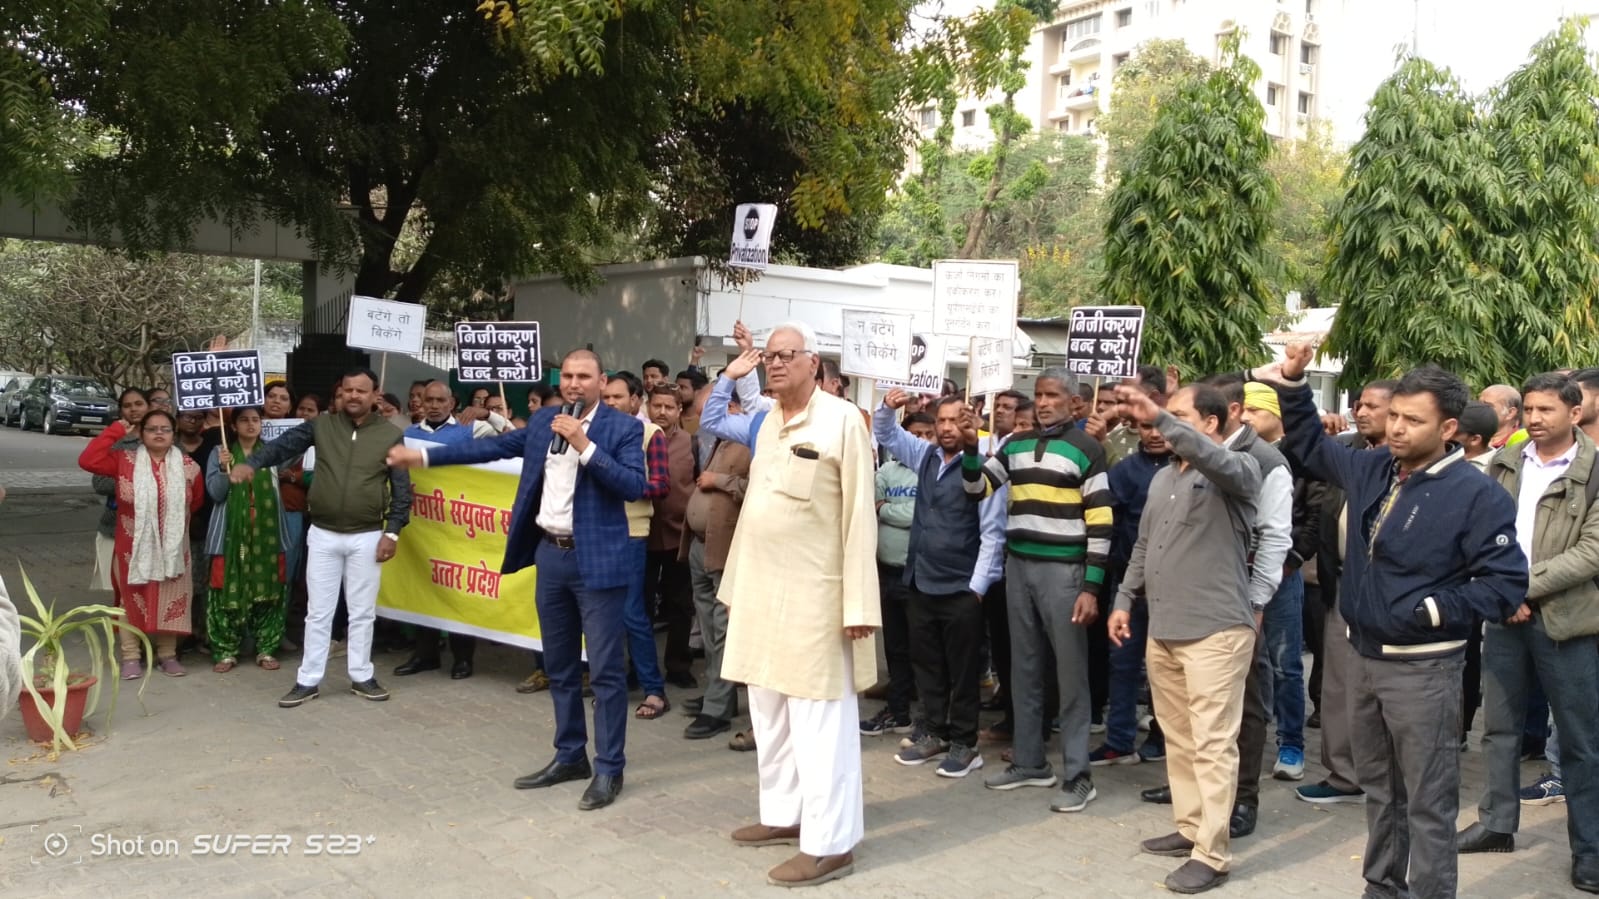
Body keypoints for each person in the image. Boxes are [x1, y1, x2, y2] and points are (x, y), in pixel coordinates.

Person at [1256, 344, 1526, 899]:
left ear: (1448, 428)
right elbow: (1307, 446)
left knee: (1428, 801)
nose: (1397, 428)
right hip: (1362, 656)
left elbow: (1504, 585)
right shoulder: (1373, 466)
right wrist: (1294, 382)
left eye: (1413, 420)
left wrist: (1428, 611)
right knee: (1380, 790)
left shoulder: (1476, 493)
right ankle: (1381, 887)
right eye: (1394, 416)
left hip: (1424, 669)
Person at [388, 349, 646, 811]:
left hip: (598, 562)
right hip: (550, 556)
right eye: (568, 376)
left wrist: (584, 445)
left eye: (584, 376)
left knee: (605, 672)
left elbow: (632, 485)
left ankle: (609, 768)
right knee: (559, 665)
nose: (574, 383)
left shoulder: (623, 428)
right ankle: (570, 755)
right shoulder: (545, 420)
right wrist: (423, 456)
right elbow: (488, 448)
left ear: (601, 381)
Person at [718, 321, 879, 887]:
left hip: (818, 598)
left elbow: (860, 515)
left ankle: (831, 845)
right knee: (768, 712)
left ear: (814, 363)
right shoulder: (767, 422)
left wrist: (859, 604)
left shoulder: (843, 420)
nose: (777, 363)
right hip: (761, 592)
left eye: (789, 354)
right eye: (771, 356)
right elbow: (755, 510)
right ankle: (784, 815)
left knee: (820, 723)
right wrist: (734, 586)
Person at [1108, 383, 1262, 895]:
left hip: (1216, 631)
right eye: (1162, 417)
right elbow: (1144, 545)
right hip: (1164, 629)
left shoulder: (1238, 469)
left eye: (1177, 417)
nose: (1162, 426)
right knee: (1179, 739)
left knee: (1213, 745)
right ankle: (1191, 828)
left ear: (1211, 423)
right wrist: (1123, 599)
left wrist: (1159, 416)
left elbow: (1217, 461)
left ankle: (1212, 855)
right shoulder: (1162, 478)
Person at [1461, 373, 1599, 894]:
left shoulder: (1594, 470)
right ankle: (1497, 824)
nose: (1535, 419)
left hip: (1566, 621)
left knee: (1581, 740)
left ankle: (1590, 849)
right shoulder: (1506, 461)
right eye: (1530, 410)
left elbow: (1591, 552)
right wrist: (1503, 593)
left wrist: (1519, 588)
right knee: (1499, 728)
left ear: (1574, 413)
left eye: (1547, 410)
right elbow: (1477, 532)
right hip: (1504, 616)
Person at [962, 368, 1111, 813]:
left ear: (1073, 402)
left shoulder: (1087, 449)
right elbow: (976, 489)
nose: (1043, 402)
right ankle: (1029, 763)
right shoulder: (1015, 445)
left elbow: (1101, 521)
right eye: (1040, 395)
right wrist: (970, 447)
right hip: (1019, 567)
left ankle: (1079, 775)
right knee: (1023, 668)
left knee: (1070, 674)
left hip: (1065, 573)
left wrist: (1092, 587)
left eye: (1053, 395)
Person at [230, 369, 413, 708]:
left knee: (362, 612)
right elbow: (284, 446)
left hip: (367, 536)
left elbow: (402, 490)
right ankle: (308, 680)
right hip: (324, 534)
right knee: (317, 613)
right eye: (348, 390)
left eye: (361, 390)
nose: (354, 395)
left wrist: (392, 532)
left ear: (376, 394)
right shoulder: (321, 425)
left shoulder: (390, 435)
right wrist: (253, 463)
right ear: (341, 393)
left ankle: (362, 675)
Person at [877, 392, 1005, 778]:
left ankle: (965, 744)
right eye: (942, 421)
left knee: (963, 671)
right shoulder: (926, 455)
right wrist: (887, 406)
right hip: (921, 581)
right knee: (927, 664)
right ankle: (935, 732)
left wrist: (977, 587)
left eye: (955, 420)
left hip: (961, 587)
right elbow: (886, 432)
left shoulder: (986, 467)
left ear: (971, 422)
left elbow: (993, 532)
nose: (947, 428)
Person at [1296, 378, 1396, 802]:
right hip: (1341, 585)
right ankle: (1343, 775)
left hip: (1393, 596)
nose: (1361, 411)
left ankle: (1389, 776)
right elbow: (1302, 469)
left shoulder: (1412, 463)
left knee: (1389, 690)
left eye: (1373, 405)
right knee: (1338, 686)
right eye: (1359, 404)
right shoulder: (1345, 452)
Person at [78, 409, 206, 679]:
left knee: (172, 597)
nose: (159, 433)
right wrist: (115, 432)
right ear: (142, 433)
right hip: (132, 548)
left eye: (165, 429)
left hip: (174, 549)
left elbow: (195, 502)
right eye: (152, 429)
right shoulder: (124, 460)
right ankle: (130, 656)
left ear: (174, 434)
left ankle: (167, 655)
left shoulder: (189, 467)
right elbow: (88, 460)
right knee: (130, 598)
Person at [1241, 383, 1322, 786]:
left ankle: (1291, 744)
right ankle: (1248, 740)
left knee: (1286, 663)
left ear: (1277, 414)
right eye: (1242, 409)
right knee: (1244, 662)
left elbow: (1315, 515)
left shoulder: (1302, 458)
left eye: (1254, 410)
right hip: (1238, 570)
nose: (1245, 418)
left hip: (1283, 574)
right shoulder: (1235, 453)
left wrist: (1291, 560)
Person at [394, 380, 499, 680]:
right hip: (423, 526)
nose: (435, 405)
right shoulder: (409, 436)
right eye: (429, 400)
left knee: (458, 591)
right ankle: (425, 654)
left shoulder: (471, 430)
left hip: (459, 525)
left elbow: (509, 433)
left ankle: (463, 658)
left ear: (451, 403)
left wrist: (486, 413)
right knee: (423, 587)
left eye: (441, 400)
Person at [1096, 407, 1171, 766]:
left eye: (1161, 427)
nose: (1154, 434)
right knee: (1122, 663)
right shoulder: (1124, 471)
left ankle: (1163, 737)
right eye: (1146, 427)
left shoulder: (1189, 470)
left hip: (1173, 588)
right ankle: (1119, 739)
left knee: (1166, 669)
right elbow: (1109, 523)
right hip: (1129, 583)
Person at [678, 393, 753, 741]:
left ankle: (718, 709)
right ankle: (716, 693)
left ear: (734, 408)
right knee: (708, 628)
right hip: (700, 545)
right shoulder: (720, 440)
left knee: (723, 629)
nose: (705, 419)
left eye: (712, 410)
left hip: (726, 548)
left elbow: (758, 489)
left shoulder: (752, 440)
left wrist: (718, 482)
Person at [598, 371, 671, 719]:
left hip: (630, 532)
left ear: (635, 400)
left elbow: (661, 484)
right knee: (602, 616)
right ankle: (612, 687)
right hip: (596, 532)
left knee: (631, 613)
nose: (611, 403)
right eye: (606, 397)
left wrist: (623, 482)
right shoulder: (592, 432)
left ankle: (654, 690)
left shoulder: (650, 433)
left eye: (618, 397)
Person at [203, 407, 288, 673]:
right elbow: (215, 493)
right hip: (229, 536)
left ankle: (266, 647)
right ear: (233, 425)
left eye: (255, 420)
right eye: (244, 420)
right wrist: (223, 469)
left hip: (268, 536)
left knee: (270, 591)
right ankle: (226, 650)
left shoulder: (272, 453)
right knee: (223, 589)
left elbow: (299, 456)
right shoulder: (220, 452)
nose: (251, 425)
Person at [859, 410, 927, 738]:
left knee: (923, 649)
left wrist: (886, 509)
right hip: (887, 572)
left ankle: (929, 718)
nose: (921, 440)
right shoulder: (886, 471)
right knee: (895, 648)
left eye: (927, 434)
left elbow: (919, 514)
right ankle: (898, 713)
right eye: (915, 434)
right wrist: (886, 509)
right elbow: (870, 506)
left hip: (920, 575)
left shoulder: (931, 470)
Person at [645, 384, 699, 690]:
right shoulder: (637, 437)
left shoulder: (691, 442)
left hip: (680, 534)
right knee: (641, 604)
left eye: (669, 407)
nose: (662, 412)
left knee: (680, 603)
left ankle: (678, 666)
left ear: (679, 410)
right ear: (648, 406)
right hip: (644, 534)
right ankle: (640, 668)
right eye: (657, 406)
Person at [91, 388, 150, 595]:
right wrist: (133, 484)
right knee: (121, 592)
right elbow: (100, 483)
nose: (134, 409)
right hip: (116, 525)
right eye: (127, 405)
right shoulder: (116, 440)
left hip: (154, 529)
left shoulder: (163, 435)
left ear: (148, 406)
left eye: (139, 404)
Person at [1459, 402, 1502, 470]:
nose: (1445, 434)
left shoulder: (1495, 470)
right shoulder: (1446, 456)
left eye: (1453, 432)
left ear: (1475, 439)